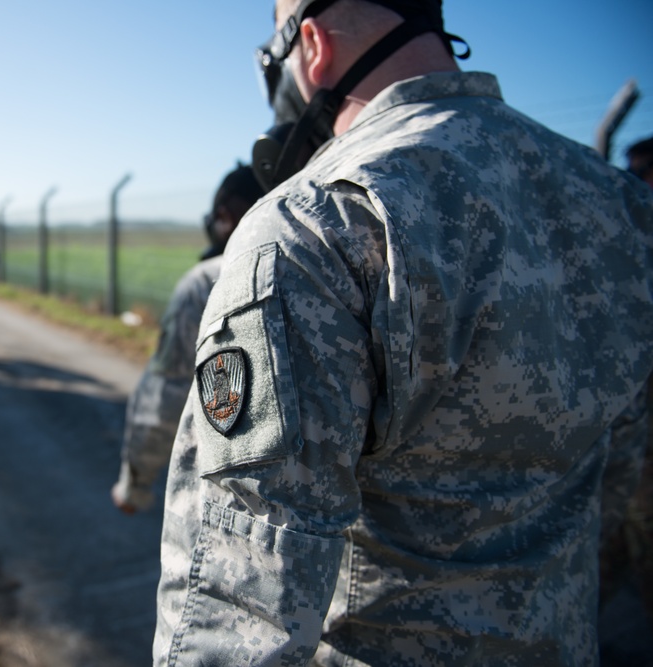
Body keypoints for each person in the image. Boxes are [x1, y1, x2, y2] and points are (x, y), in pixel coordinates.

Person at [153, 1, 653, 665]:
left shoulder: (315, 222)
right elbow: (621, 465)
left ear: (311, 44)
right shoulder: (621, 205)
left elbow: (239, 599)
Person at [111, 164, 264, 515]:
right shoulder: (335, 263)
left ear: (224, 214)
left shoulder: (205, 283)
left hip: (230, 509)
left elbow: (163, 398)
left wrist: (133, 486)